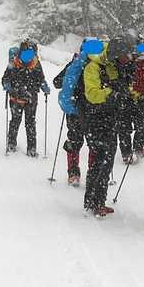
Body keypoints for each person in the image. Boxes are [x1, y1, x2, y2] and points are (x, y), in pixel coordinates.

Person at [80, 37, 130, 216]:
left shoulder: (113, 65)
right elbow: (92, 94)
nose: (126, 59)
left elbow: (122, 87)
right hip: (95, 120)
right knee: (100, 161)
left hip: (110, 119)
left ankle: (97, 201)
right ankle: (93, 201)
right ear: (115, 55)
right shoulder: (92, 67)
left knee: (106, 161)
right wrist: (112, 94)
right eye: (124, 56)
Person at [1, 39, 49, 156]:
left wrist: (44, 86)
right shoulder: (14, 63)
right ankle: (13, 144)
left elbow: (41, 79)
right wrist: (6, 84)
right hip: (17, 98)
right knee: (18, 122)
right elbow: (5, 78)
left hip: (29, 99)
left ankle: (30, 148)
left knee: (28, 122)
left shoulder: (36, 64)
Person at [53, 41, 91, 185]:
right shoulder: (99, 66)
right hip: (92, 110)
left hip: (74, 110)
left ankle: (73, 174)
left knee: (74, 140)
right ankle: (93, 174)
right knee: (94, 143)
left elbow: (56, 82)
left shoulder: (74, 64)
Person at [120, 39, 144, 165]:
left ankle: (133, 150)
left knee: (133, 126)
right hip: (135, 98)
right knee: (135, 126)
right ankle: (131, 150)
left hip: (138, 99)